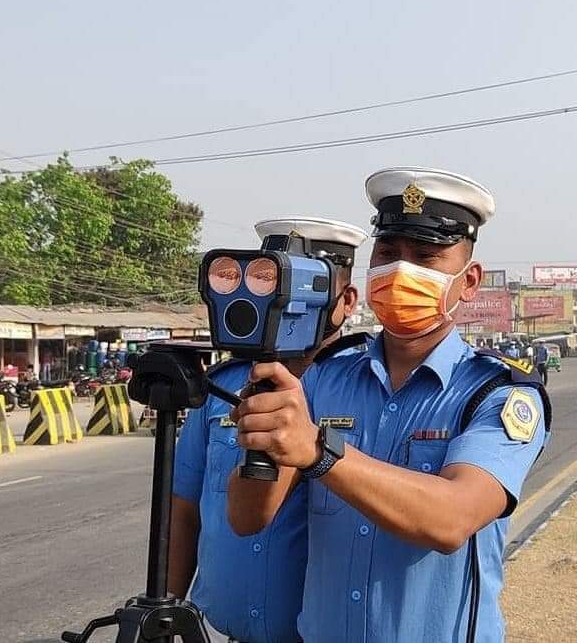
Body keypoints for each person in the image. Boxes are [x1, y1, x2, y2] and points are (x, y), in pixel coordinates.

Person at [228, 168, 550, 643]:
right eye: (388, 253)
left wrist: (318, 451)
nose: (401, 272)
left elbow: (450, 519)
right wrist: (263, 441)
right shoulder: (320, 378)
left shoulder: (499, 394)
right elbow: (246, 517)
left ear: (470, 281)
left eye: (425, 257)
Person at [169, 218, 368, 643]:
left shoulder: (369, 387)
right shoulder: (224, 386)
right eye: (270, 280)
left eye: (307, 285)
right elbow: (185, 511)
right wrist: (165, 616)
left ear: (347, 300)